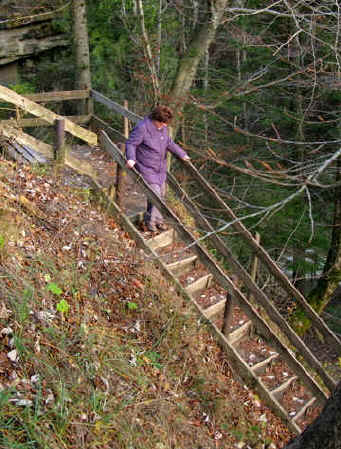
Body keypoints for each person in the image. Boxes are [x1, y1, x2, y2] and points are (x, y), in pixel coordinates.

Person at [125, 105, 190, 232]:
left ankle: (158, 221)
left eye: (166, 123)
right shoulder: (142, 128)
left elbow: (169, 143)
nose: (164, 125)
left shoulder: (163, 129)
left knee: (162, 195)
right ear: (155, 120)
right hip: (146, 166)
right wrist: (131, 158)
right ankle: (150, 224)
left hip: (160, 168)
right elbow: (131, 143)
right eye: (162, 123)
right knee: (155, 194)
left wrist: (182, 154)